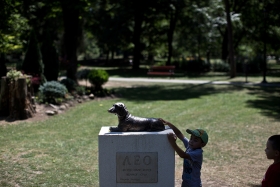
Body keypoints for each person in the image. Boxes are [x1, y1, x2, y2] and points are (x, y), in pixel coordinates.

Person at [159, 118, 208, 187]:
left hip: (194, 184)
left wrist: (173, 143)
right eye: (191, 138)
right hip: (186, 182)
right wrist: (169, 124)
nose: (191, 141)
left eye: (195, 140)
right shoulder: (190, 145)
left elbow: (183, 155)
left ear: (202, 144)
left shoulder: (198, 153)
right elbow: (179, 134)